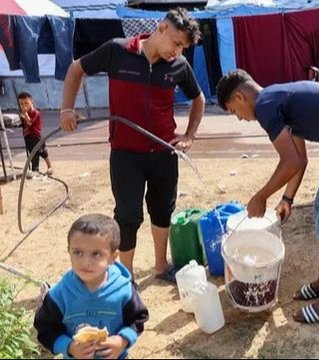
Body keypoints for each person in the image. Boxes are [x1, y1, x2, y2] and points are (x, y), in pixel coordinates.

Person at [216, 69, 319, 324]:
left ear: (240, 97)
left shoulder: (265, 106)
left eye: (233, 111)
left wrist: (260, 196)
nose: (239, 119)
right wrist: (287, 199)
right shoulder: (279, 100)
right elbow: (300, 159)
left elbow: (290, 160)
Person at [59, 8, 205, 281]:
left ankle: (161, 267)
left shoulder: (179, 66)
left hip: (164, 151)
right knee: (127, 216)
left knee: (163, 210)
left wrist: (190, 135)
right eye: (176, 43)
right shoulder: (117, 51)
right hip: (126, 154)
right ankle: (126, 276)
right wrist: (67, 108)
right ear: (161, 28)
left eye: (183, 47)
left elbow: (199, 99)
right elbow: (76, 68)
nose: (178, 51)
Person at [34, 213, 149, 359]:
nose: (85, 262)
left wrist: (122, 340)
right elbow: (45, 329)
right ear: (69, 251)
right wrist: (68, 346)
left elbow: (138, 319)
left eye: (96, 254)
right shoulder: (60, 295)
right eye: (78, 252)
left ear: (113, 257)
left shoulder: (123, 290)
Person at [17, 92, 54, 176]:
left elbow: (30, 123)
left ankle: (46, 167)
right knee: (33, 153)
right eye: (21, 104)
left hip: (36, 136)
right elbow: (25, 124)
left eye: (26, 103)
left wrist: (25, 115)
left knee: (42, 152)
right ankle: (35, 169)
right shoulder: (25, 113)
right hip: (28, 136)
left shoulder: (35, 113)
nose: (24, 106)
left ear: (32, 102)